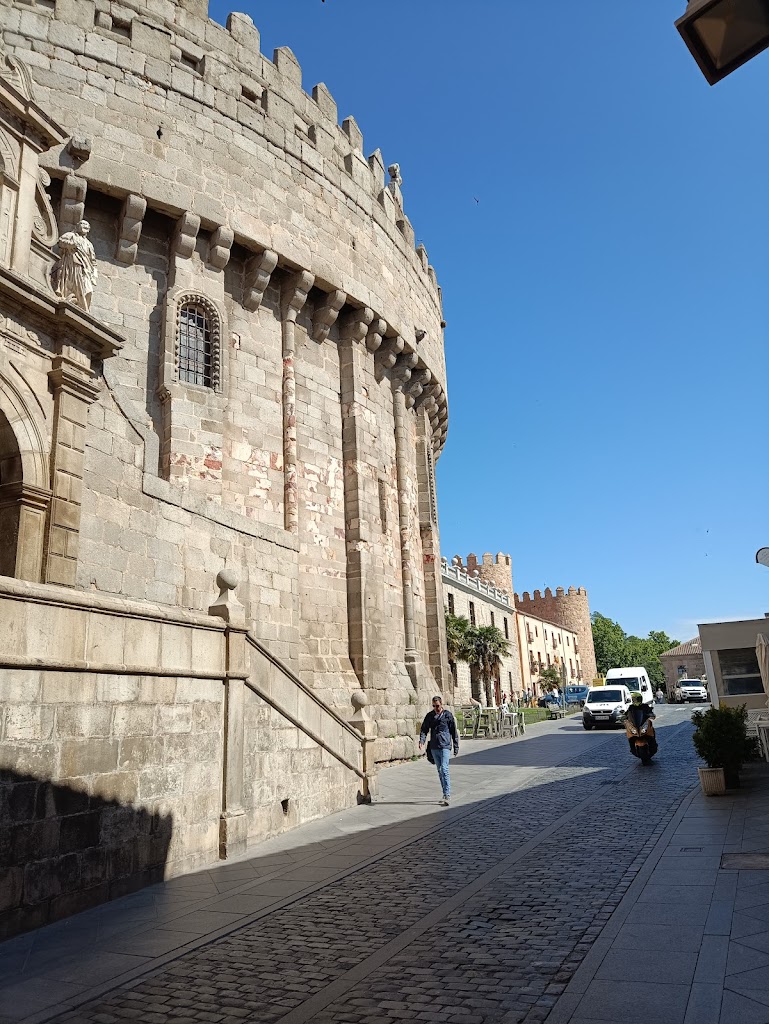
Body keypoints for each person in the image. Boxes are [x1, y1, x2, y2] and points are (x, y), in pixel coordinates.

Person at [418, 695, 459, 806]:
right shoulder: (430, 716)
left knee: (444, 769)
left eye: (437, 706)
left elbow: (453, 731)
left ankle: (447, 794)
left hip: (445, 745)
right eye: (433, 706)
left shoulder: (447, 715)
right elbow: (424, 729)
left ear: (441, 704)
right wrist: (422, 741)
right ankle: (444, 793)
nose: (435, 708)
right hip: (434, 746)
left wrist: (456, 746)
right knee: (439, 770)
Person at [52, 219, 98, 310]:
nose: (85, 226)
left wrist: (94, 271)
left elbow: (92, 259)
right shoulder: (71, 235)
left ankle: (82, 306)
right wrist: (70, 245)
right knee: (72, 284)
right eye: (83, 224)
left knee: (88, 290)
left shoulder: (89, 244)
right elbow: (61, 242)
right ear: (77, 226)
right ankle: (72, 299)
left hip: (85, 268)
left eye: (87, 225)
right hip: (72, 263)